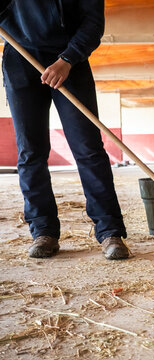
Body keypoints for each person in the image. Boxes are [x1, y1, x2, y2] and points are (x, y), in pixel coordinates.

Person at [0, 0, 129, 260]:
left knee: (88, 148)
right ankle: (43, 231)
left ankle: (110, 232)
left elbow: (93, 23)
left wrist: (68, 59)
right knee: (31, 151)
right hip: (21, 58)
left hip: (71, 61)